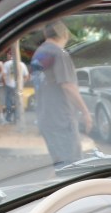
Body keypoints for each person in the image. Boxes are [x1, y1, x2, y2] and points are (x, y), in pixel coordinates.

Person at [30, 19, 93, 168]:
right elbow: (68, 86)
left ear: (46, 33)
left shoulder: (38, 54)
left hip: (45, 117)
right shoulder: (59, 54)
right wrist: (85, 112)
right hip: (61, 118)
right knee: (73, 166)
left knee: (60, 164)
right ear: (64, 34)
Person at [2, 49, 28, 124]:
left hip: (9, 86)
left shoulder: (6, 64)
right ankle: (18, 118)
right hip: (18, 87)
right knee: (18, 102)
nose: (7, 56)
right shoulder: (22, 64)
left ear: (10, 55)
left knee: (9, 102)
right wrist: (22, 84)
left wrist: (4, 84)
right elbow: (26, 76)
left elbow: (3, 76)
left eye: (8, 54)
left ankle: (9, 118)